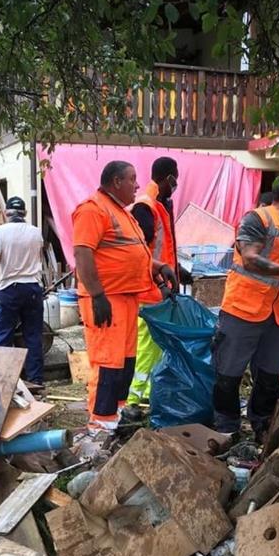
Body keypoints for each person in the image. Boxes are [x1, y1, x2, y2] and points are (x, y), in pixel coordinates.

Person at [72, 160, 178, 432]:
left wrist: (159, 267)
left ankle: (114, 419)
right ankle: (99, 427)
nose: (138, 184)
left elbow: (136, 254)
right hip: (107, 299)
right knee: (108, 365)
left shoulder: (123, 213)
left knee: (125, 363)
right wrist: (97, 295)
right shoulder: (93, 210)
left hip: (128, 297)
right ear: (117, 182)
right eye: (132, 179)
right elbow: (82, 253)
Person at [212, 172, 279, 441]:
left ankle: (262, 426)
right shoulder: (257, 218)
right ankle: (226, 428)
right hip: (243, 308)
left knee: (269, 376)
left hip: (276, 314)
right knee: (229, 373)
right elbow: (250, 259)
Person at [126, 156, 183, 408]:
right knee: (146, 346)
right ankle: (134, 396)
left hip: (159, 286)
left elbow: (163, 248)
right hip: (149, 289)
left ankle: (146, 392)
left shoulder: (158, 205)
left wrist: (177, 273)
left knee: (154, 345)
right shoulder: (146, 206)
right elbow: (141, 252)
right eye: (175, 179)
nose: (176, 185)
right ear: (168, 178)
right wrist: (160, 279)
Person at [0, 196, 45, 385]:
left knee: (4, 334)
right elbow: (39, 257)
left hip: (10, 288)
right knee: (33, 335)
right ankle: (36, 381)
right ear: (25, 213)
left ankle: (2, 380)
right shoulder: (36, 232)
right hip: (33, 287)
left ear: (5, 213)